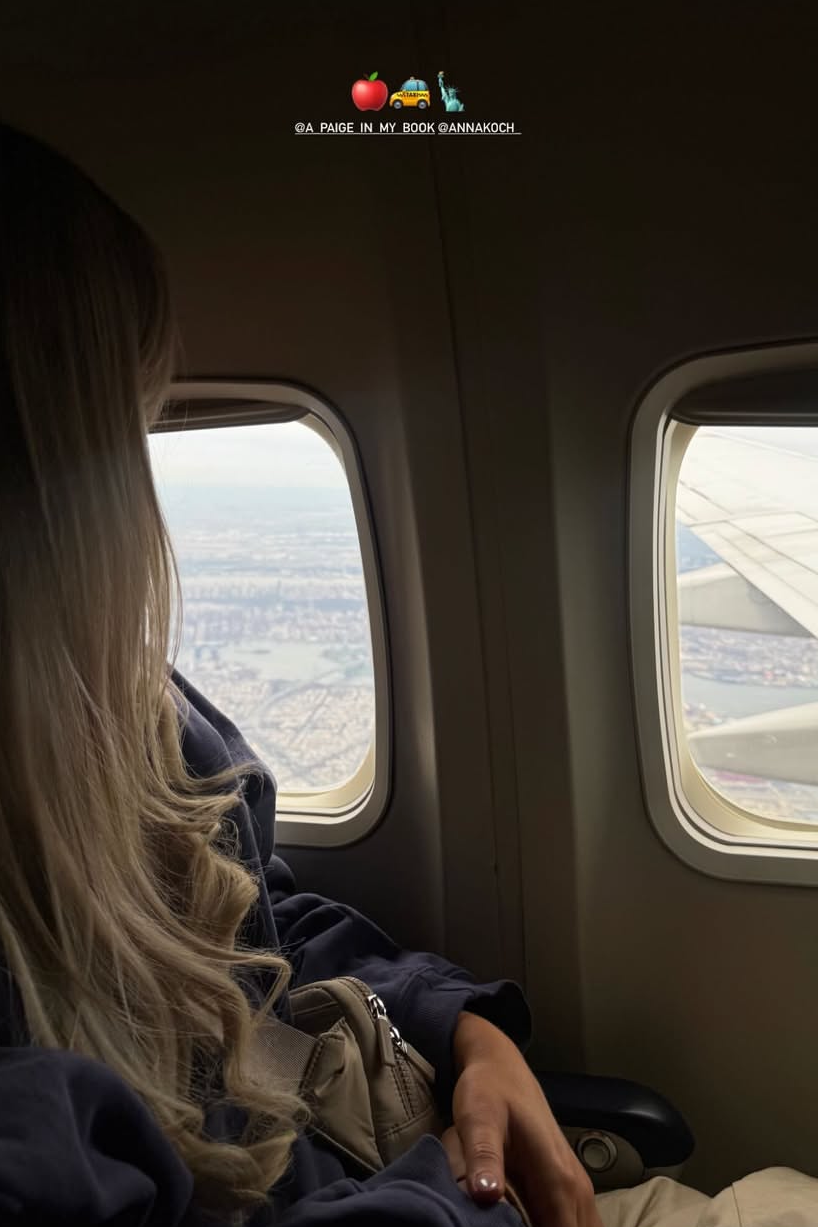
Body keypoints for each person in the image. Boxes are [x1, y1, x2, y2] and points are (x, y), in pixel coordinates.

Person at [0, 122, 602, 1226]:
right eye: (128, 428)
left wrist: (463, 1029)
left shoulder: (124, 716)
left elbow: (242, 919)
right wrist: (465, 1198)